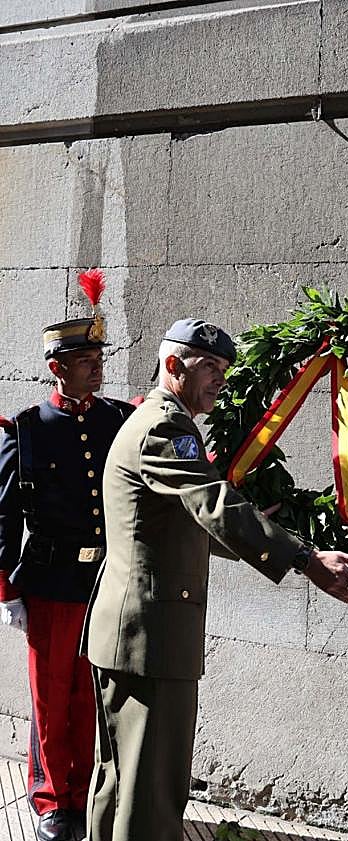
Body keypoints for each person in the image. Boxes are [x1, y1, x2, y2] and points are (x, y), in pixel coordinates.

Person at [84, 318, 348, 841]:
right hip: (150, 635)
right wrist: (306, 560)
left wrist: (251, 530)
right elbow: (213, 504)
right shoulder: (164, 427)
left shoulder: (159, 421)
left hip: (136, 631)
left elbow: (179, 520)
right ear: (173, 366)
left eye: (224, 369)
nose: (220, 380)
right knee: (149, 788)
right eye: (210, 368)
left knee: (123, 779)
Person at [0, 270, 135, 841]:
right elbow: (3, 516)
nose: (98, 367)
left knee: (93, 694)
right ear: (58, 367)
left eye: (100, 357)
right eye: (86, 360)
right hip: (51, 581)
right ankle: (55, 800)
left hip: (105, 579)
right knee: (52, 696)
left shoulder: (117, 421)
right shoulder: (26, 430)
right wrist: (8, 591)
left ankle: (88, 791)